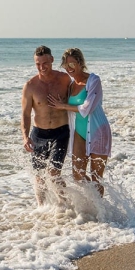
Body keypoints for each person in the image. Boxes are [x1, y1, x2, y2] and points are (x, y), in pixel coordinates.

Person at [48, 48, 112, 196]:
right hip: (79, 132)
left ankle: (100, 213)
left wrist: (63, 105)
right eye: (65, 65)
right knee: (78, 176)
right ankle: (92, 203)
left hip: (98, 131)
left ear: (80, 63)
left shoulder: (93, 80)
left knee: (96, 179)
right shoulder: (70, 85)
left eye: (71, 65)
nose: (68, 69)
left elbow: (86, 108)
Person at [21, 46, 72, 205]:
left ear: (52, 60)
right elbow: (25, 114)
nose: (42, 67)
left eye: (45, 63)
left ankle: (64, 207)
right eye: (38, 64)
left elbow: (77, 101)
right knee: (39, 176)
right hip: (39, 135)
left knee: (54, 172)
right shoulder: (30, 86)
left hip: (61, 132)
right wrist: (25, 136)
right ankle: (41, 208)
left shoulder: (64, 80)